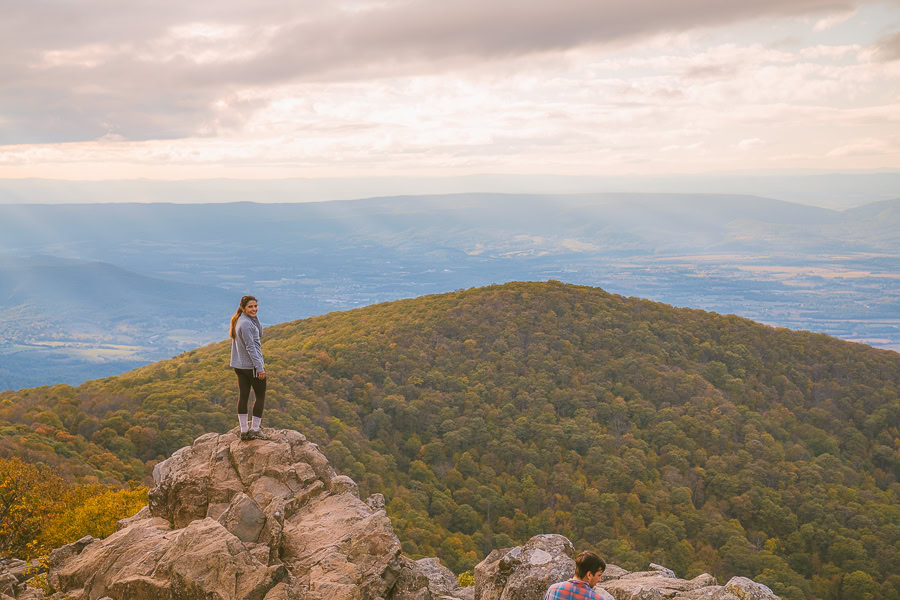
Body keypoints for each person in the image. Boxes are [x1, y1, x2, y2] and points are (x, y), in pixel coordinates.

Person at [229, 295, 268, 441]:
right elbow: (251, 347)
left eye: (255, 306)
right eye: (250, 307)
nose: (254, 309)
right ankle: (255, 429)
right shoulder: (246, 324)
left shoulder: (241, 320)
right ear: (243, 308)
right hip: (251, 366)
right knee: (260, 396)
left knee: (244, 395)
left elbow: (260, 333)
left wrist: (254, 317)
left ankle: (244, 431)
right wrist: (260, 368)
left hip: (239, 365)